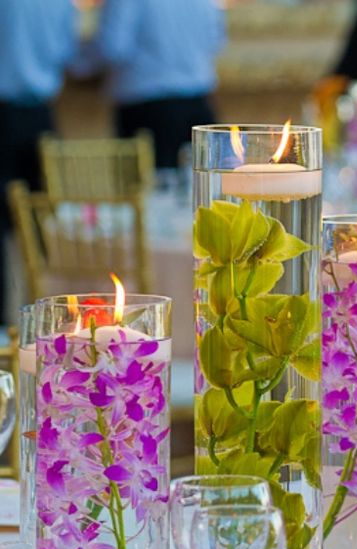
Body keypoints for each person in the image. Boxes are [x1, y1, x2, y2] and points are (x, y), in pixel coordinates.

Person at [0, 0, 78, 320]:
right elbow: (66, 53)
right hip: (40, 116)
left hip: (10, 115)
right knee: (43, 222)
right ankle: (47, 320)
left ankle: (16, 324)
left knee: (39, 221)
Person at [95, 0, 226, 170]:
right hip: (198, 102)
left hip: (147, 105)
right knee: (201, 186)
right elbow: (216, 40)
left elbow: (113, 48)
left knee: (150, 189)